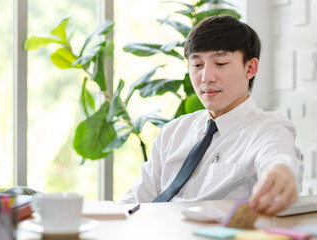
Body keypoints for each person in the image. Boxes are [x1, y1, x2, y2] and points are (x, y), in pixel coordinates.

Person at [120, 15, 303, 216]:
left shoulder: (267, 128)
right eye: (197, 65)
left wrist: (281, 172)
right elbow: (135, 201)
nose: (206, 77)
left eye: (221, 63)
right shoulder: (174, 131)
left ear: (250, 68)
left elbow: (278, 155)